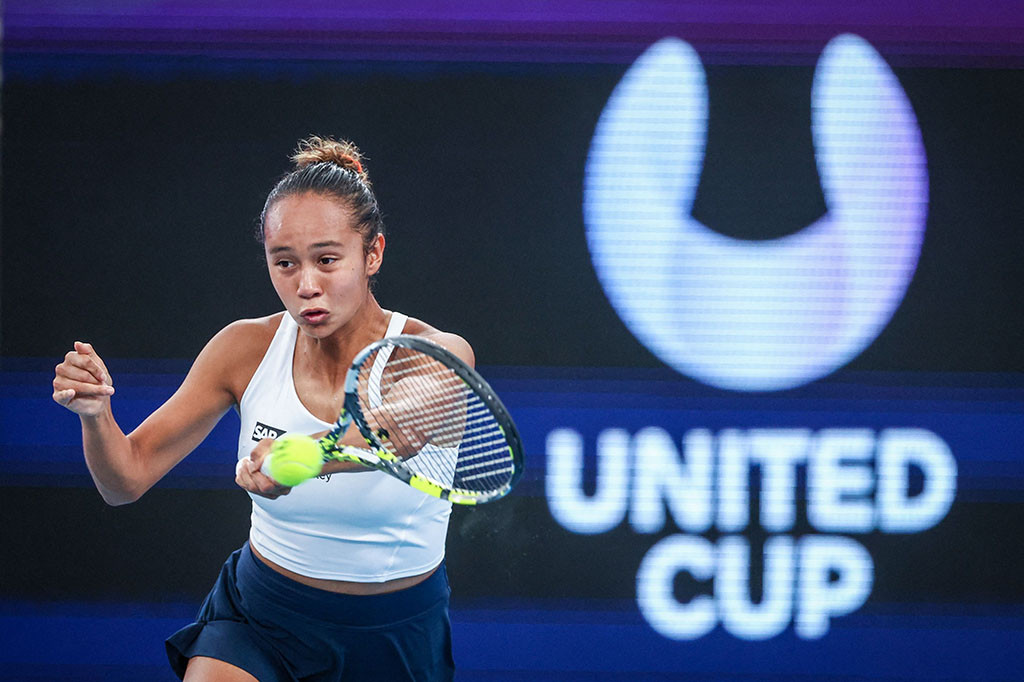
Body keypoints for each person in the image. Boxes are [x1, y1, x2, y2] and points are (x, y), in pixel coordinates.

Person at [52, 136, 472, 681]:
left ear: (373, 254)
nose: (306, 285)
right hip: (261, 615)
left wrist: (306, 456)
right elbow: (124, 480)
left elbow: (398, 431)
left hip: (395, 635)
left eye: (327, 260)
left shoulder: (438, 352)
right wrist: (95, 417)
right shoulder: (243, 348)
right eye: (284, 263)